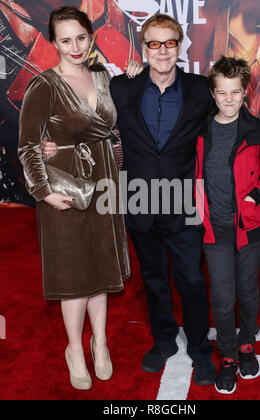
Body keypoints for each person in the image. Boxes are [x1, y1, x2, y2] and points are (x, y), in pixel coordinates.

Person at [42, 13, 260, 386]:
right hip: (139, 198)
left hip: (183, 199)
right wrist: (54, 145)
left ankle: (201, 349)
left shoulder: (202, 89)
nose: (162, 51)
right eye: (153, 43)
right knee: (153, 278)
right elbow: (88, 117)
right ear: (144, 47)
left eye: (169, 43)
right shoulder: (123, 87)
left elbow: (235, 111)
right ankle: (164, 338)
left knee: (191, 278)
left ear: (180, 45)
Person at [18, 6, 139, 390]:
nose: (74, 46)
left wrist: (136, 70)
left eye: (81, 38)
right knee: (74, 275)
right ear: (54, 43)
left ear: (92, 37)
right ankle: (75, 348)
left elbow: (114, 119)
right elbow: (27, 148)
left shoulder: (102, 77)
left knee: (101, 268)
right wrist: (46, 193)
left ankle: (99, 343)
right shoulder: (44, 86)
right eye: (65, 40)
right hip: (64, 188)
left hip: (103, 180)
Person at [195, 56, 260, 394]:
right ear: (213, 94)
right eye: (222, 93)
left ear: (245, 92)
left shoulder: (259, 131)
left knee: (247, 292)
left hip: (250, 229)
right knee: (221, 296)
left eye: (236, 92)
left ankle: (247, 346)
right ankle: (228, 356)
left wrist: (255, 196)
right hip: (214, 230)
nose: (229, 99)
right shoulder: (200, 130)